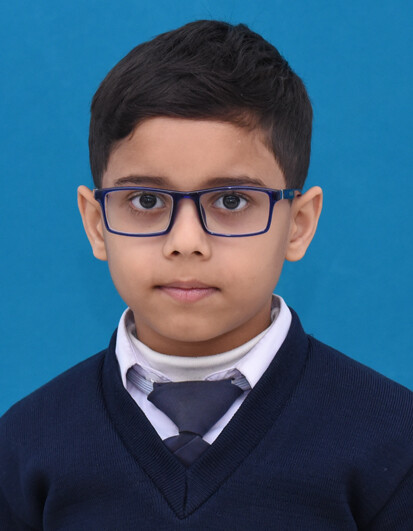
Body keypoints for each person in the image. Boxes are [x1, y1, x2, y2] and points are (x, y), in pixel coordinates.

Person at [0, 20, 412, 530]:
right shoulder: (23, 447)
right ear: (96, 223)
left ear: (299, 225)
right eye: (146, 200)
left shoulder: (395, 444)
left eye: (232, 200)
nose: (186, 241)